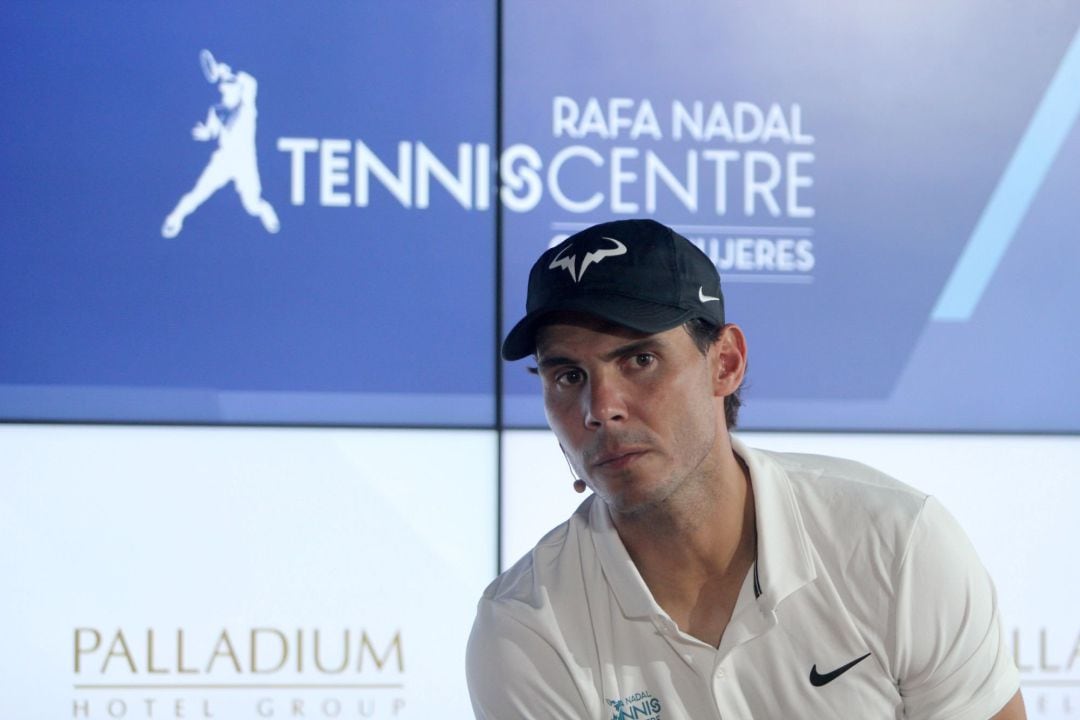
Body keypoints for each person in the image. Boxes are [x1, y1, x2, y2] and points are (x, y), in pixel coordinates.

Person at [466, 219, 1025, 718]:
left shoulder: (895, 542)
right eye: (568, 376)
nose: (600, 408)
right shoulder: (524, 627)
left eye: (640, 360)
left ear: (725, 362)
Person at [162, 51, 279, 239]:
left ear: (237, 90)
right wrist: (206, 133)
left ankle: (266, 211)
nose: (225, 93)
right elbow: (212, 131)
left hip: (245, 162)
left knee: (253, 205)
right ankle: (174, 219)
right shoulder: (217, 111)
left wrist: (225, 72)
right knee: (198, 193)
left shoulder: (247, 107)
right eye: (223, 90)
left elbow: (250, 82)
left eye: (229, 90)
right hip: (223, 159)